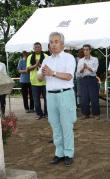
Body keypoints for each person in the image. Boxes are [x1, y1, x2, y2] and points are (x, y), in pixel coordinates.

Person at [38, 32, 77, 167]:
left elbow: (68, 76)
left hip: (65, 94)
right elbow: (39, 77)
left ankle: (68, 153)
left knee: (66, 125)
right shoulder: (46, 60)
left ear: (62, 44)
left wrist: (52, 73)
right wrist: (42, 74)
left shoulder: (69, 58)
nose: (53, 44)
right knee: (55, 125)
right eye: (51, 42)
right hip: (50, 96)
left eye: (56, 41)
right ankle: (59, 153)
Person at [77, 44, 100, 119]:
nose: (85, 51)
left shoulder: (95, 59)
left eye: (87, 50)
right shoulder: (80, 60)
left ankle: (96, 114)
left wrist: (87, 67)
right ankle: (85, 114)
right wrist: (83, 68)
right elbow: (78, 73)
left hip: (92, 79)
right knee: (84, 98)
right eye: (84, 50)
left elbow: (95, 70)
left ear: (90, 50)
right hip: (83, 80)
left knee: (94, 98)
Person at [27, 42, 48, 120]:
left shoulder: (46, 56)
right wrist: (35, 65)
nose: (37, 48)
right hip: (34, 82)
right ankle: (39, 114)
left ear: (41, 48)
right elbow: (28, 68)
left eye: (38, 47)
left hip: (45, 81)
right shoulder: (30, 57)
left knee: (47, 99)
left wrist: (39, 65)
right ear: (33, 48)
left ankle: (46, 114)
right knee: (36, 100)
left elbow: (48, 68)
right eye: (35, 47)